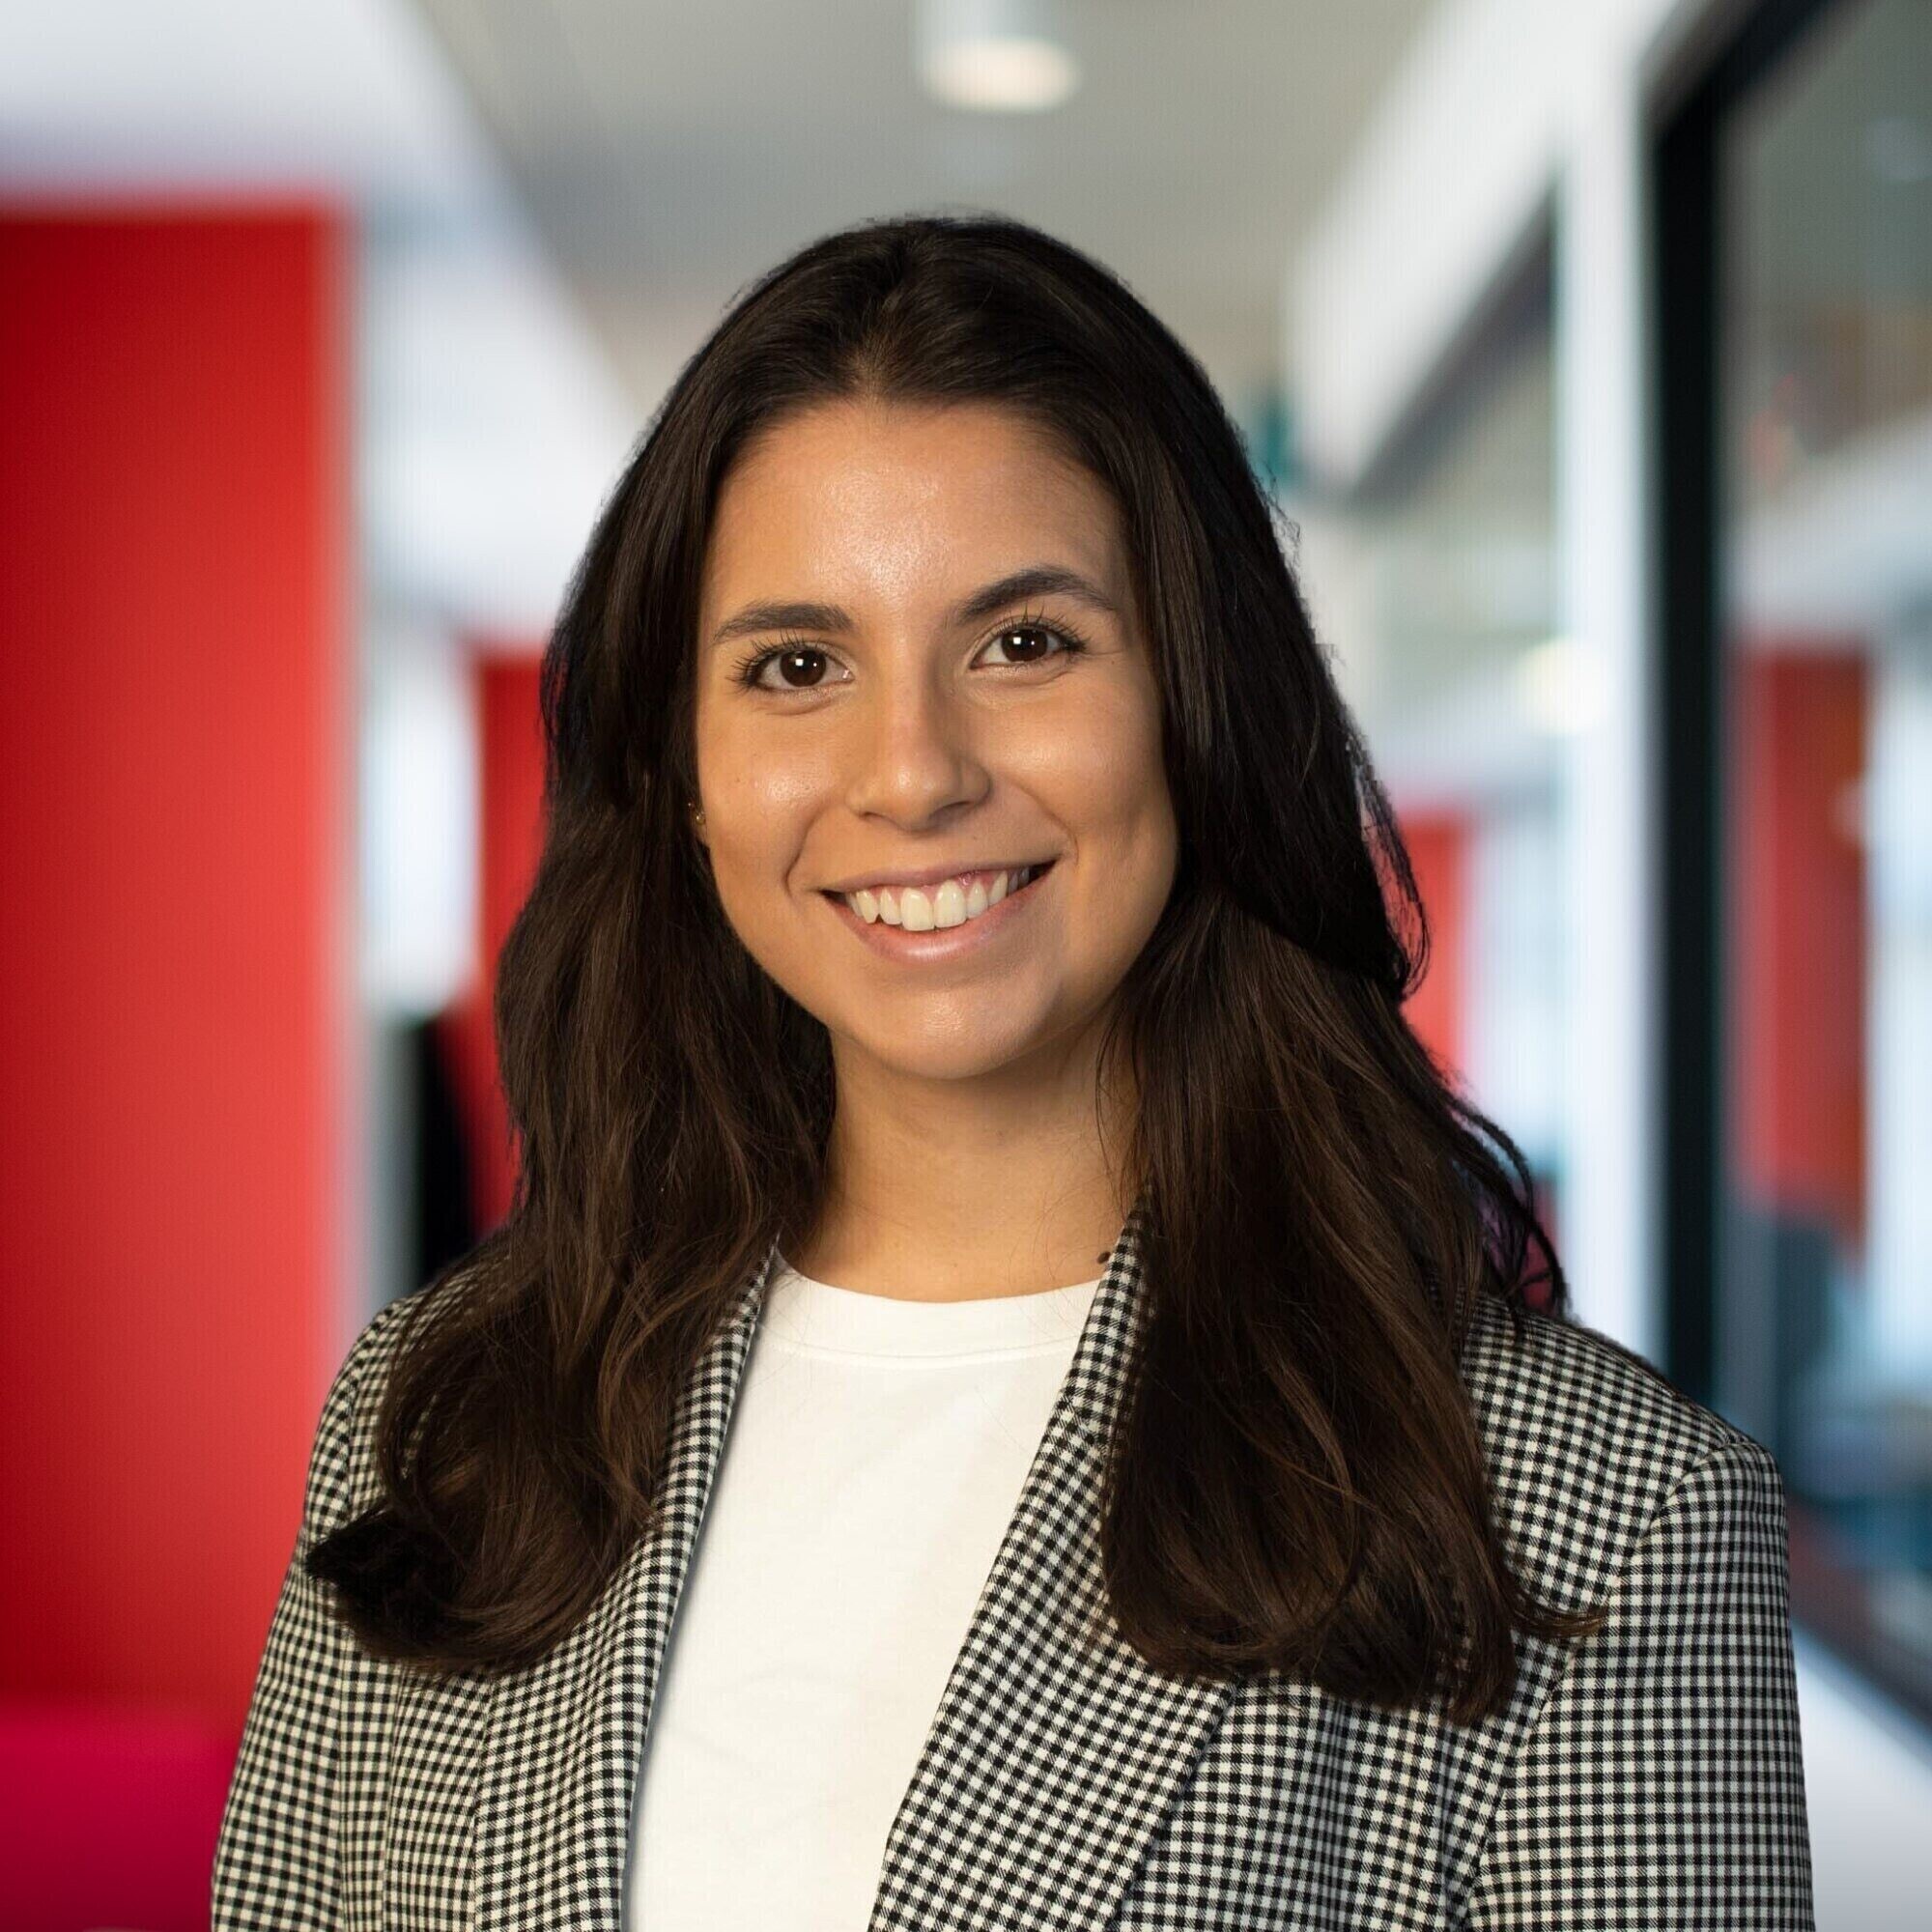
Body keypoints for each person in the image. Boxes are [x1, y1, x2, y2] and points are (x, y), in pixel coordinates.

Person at [213, 212, 1814, 1931]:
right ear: (682, 776)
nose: (912, 773)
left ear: (1196, 706)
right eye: (797, 666)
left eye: (1025, 643)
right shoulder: (444, 1418)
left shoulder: (1597, 1515)